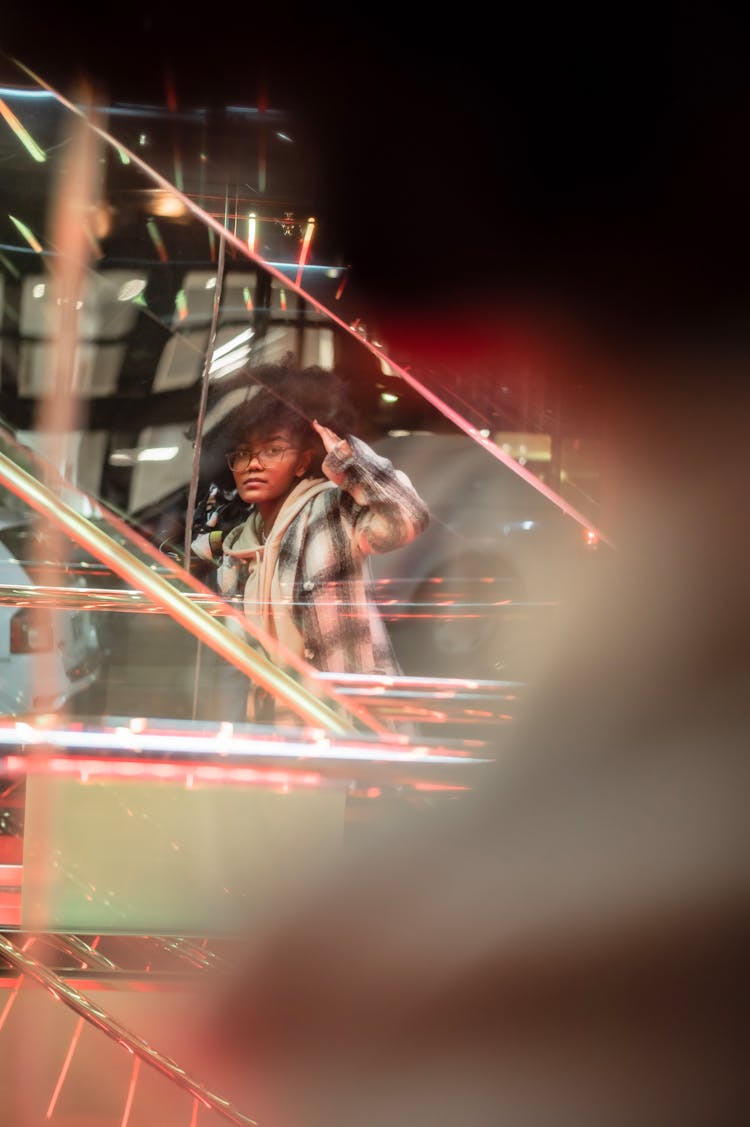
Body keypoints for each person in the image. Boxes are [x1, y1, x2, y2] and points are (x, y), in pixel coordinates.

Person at [191, 359, 430, 723]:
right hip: (285, 730)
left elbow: (408, 518)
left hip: (356, 721)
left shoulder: (330, 509)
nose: (253, 464)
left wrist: (349, 461)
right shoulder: (237, 548)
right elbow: (238, 661)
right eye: (243, 453)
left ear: (303, 462)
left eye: (273, 450)